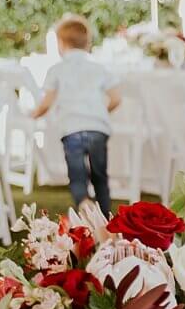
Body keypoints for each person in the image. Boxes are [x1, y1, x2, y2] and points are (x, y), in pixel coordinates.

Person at [31, 14, 121, 217]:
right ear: (88, 43)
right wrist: (100, 113)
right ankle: (106, 218)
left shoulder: (57, 69)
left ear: (61, 44)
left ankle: (83, 203)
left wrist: (35, 113)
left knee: (77, 175)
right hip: (98, 128)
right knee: (100, 176)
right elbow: (115, 98)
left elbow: (47, 101)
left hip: (71, 128)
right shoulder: (99, 68)